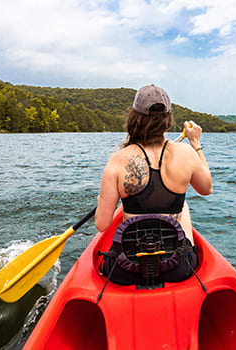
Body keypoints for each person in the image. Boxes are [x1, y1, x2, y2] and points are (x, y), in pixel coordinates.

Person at [95, 84, 212, 284]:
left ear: (134, 118)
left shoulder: (117, 160)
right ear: (167, 119)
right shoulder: (186, 154)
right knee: (183, 204)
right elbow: (206, 189)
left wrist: (105, 198)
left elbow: (102, 224)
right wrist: (195, 145)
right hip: (178, 266)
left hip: (125, 269)